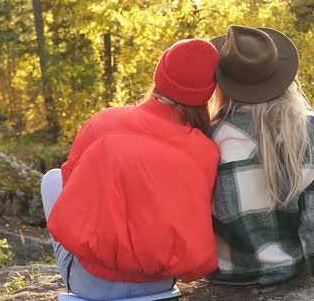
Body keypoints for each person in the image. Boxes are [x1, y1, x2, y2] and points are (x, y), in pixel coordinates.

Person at [40, 39, 221, 300]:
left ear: (160, 77)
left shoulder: (105, 121)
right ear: (207, 93)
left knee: (52, 179)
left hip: (92, 284)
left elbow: (72, 195)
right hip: (160, 285)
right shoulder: (206, 151)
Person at [207, 25, 314, 301]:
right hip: (290, 271)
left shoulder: (209, 137)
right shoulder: (311, 130)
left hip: (227, 276)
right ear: (280, 75)